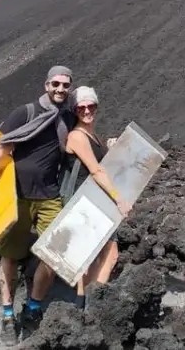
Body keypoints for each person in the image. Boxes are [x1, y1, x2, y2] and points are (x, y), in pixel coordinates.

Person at [0, 65, 77, 344]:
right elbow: (1, 150)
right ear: (46, 85)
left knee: (53, 255)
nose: (60, 89)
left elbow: (82, 139)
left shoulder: (68, 117)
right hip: (17, 196)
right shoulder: (25, 113)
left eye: (65, 85)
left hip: (50, 197)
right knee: (10, 256)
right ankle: (8, 315)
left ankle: (33, 307)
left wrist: (109, 143)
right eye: (56, 84)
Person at [61, 86, 132, 309]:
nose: (86, 110)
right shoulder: (77, 136)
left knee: (100, 255)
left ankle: (85, 305)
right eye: (81, 107)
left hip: (95, 201)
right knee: (103, 255)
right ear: (75, 110)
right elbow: (96, 170)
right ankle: (90, 305)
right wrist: (119, 199)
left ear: (96, 106)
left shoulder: (93, 136)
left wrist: (111, 148)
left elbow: (103, 165)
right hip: (85, 204)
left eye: (90, 105)